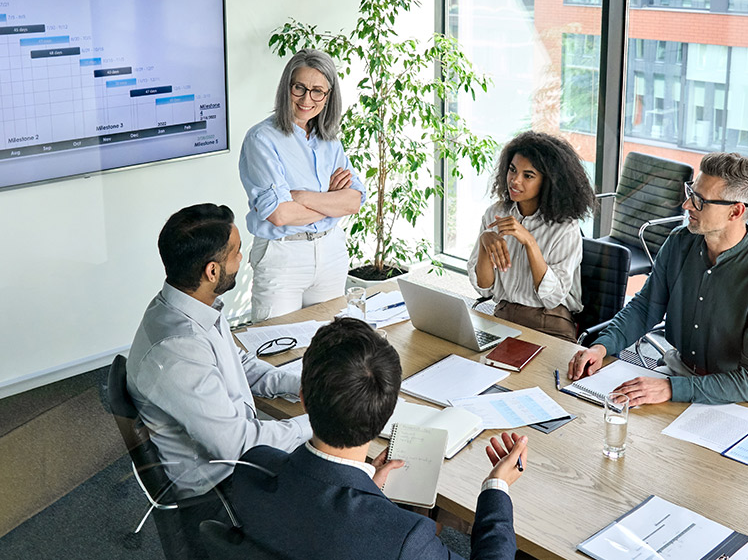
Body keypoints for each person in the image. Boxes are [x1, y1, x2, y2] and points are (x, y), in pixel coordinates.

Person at [231, 317, 527, 560]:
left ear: (303, 400)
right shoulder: (404, 538)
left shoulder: (251, 469)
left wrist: (366, 489)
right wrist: (497, 488)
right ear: (386, 415)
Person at [126, 204, 312, 554]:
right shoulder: (177, 350)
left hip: (231, 460)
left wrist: (297, 383)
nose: (243, 258)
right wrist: (317, 423)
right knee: (340, 490)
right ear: (213, 271)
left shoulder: (189, 305)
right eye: (237, 252)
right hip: (219, 494)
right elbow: (237, 447)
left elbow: (238, 363)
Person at [567, 152, 748, 408]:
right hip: (678, 371)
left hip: (737, 395)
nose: (686, 205)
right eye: (690, 192)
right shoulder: (678, 242)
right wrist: (601, 347)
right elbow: (644, 308)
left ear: (735, 211)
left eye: (700, 201)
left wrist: (671, 388)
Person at [239, 49, 366, 322]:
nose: (307, 99)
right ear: (287, 87)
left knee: (332, 349)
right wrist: (332, 201)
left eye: (318, 91)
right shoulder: (262, 139)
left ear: (329, 96)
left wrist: (301, 197)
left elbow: (353, 201)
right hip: (283, 255)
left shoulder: (330, 140)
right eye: (300, 88)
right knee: (277, 348)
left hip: (331, 252)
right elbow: (280, 214)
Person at [467, 131, 596, 341]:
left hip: (549, 323)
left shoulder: (565, 228)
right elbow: (484, 288)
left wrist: (529, 241)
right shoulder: (494, 213)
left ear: (549, 182)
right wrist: (484, 243)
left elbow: (553, 298)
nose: (515, 181)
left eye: (528, 175)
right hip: (504, 315)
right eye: (512, 170)